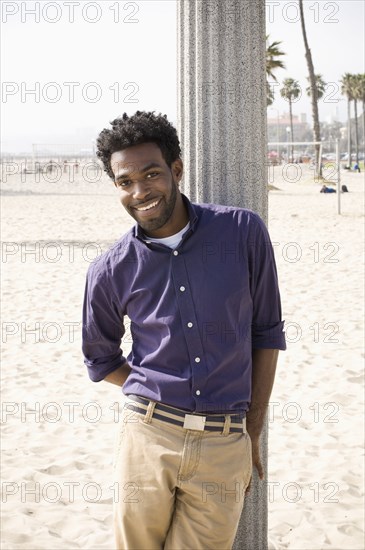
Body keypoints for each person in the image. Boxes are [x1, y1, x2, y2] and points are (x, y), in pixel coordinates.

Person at [82, 111, 286, 550]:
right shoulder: (109, 269)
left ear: (176, 170)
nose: (140, 192)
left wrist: (251, 430)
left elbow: (267, 333)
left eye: (151, 174)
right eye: (125, 182)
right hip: (147, 438)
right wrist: (151, 390)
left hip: (224, 443)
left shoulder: (242, 232)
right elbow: (101, 358)